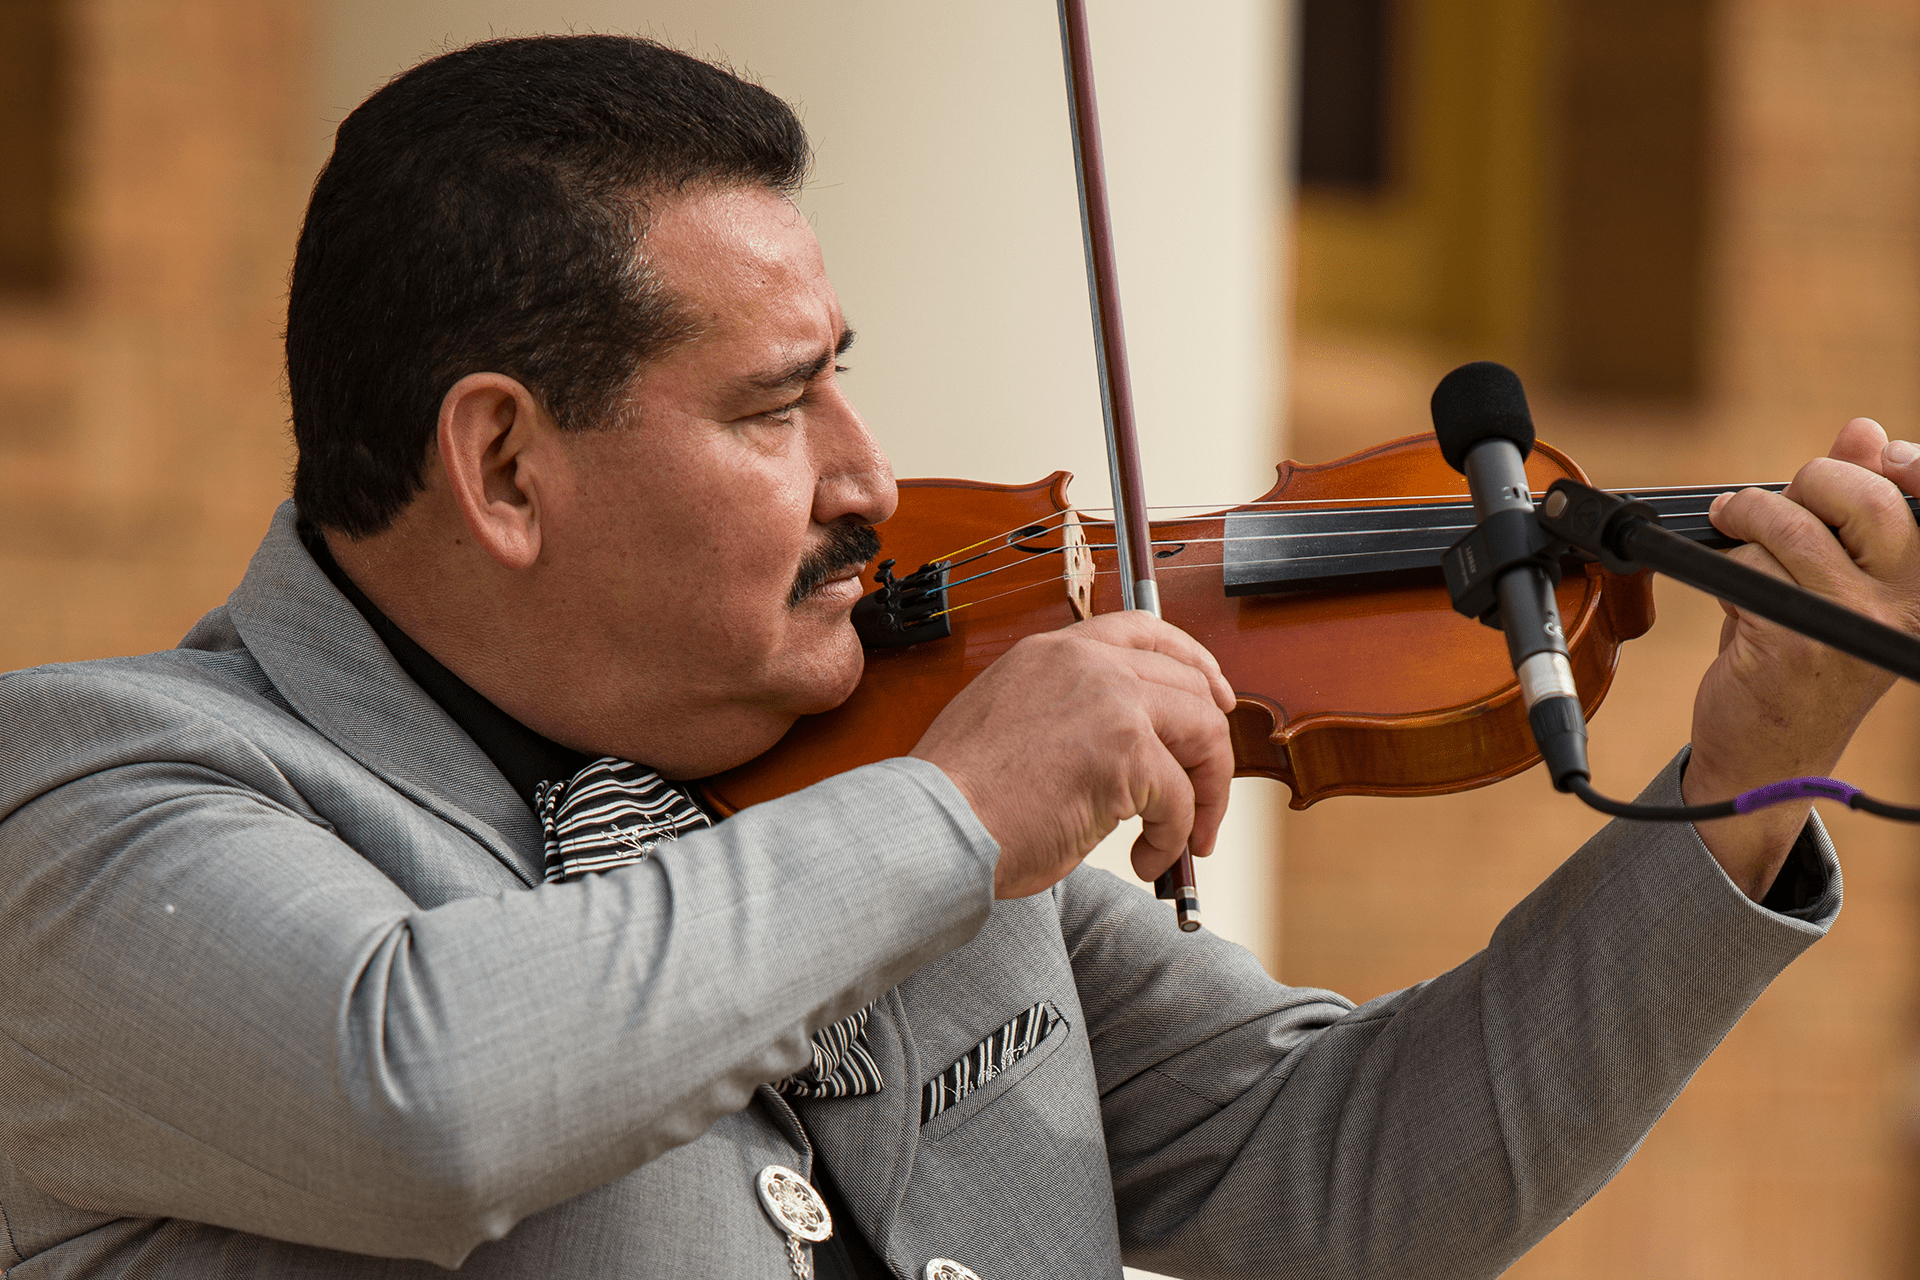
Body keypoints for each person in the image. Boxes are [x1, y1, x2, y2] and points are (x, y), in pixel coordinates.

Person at [1, 33, 1915, 1280]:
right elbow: (424, 1094)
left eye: (848, 379)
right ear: (503, 464)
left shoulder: (849, 775)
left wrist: (1748, 783)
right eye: (772, 412)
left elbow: (1348, 1176)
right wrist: (956, 808)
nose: (868, 474)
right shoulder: (101, 806)